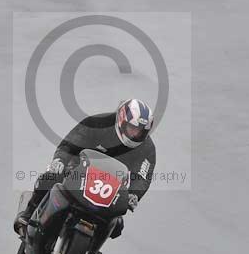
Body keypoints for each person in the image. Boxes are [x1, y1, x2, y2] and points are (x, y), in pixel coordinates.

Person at [14, 99, 157, 236]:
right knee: (50, 178)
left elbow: (143, 176)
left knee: (117, 225)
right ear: (121, 120)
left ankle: (90, 246)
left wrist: (134, 194)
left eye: (140, 131)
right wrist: (60, 160)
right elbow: (70, 143)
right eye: (132, 128)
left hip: (110, 189)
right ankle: (28, 213)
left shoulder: (147, 148)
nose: (135, 134)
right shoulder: (97, 123)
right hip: (77, 172)